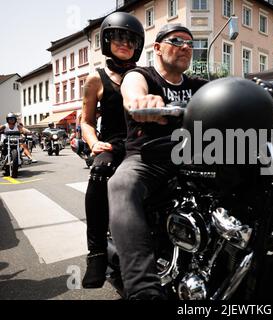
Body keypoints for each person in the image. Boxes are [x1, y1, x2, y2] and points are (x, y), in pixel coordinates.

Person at [107, 23, 209, 300]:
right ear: (157, 48)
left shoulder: (201, 86)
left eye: (191, 43)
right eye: (177, 40)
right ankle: (143, 288)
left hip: (196, 157)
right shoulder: (141, 75)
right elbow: (132, 91)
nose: (186, 46)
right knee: (122, 184)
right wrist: (140, 102)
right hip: (148, 156)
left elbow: (232, 92)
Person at [79, 12, 145, 289]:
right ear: (107, 40)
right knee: (100, 171)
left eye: (131, 39)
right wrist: (94, 143)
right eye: (118, 36)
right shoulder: (95, 79)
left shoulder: (143, 75)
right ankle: (96, 254)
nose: (125, 43)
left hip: (139, 144)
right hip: (112, 144)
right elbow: (86, 121)